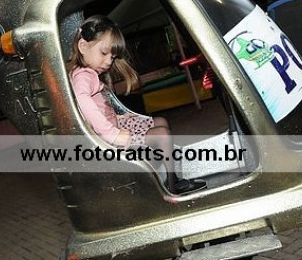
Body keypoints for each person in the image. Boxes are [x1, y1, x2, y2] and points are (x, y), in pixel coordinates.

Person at [67, 15, 206, 194]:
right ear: (83, 46)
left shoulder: (87, 73)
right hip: (108, 139)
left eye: (112, 57)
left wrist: (119, 118)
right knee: (162, 134)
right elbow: (83, 100)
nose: (108, 61)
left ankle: (166, 172)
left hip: (116, 124)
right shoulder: (83, 76)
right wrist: (113, 135)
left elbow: (100, 106)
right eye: (104, 53)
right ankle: (172, 185)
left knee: (160, 121)